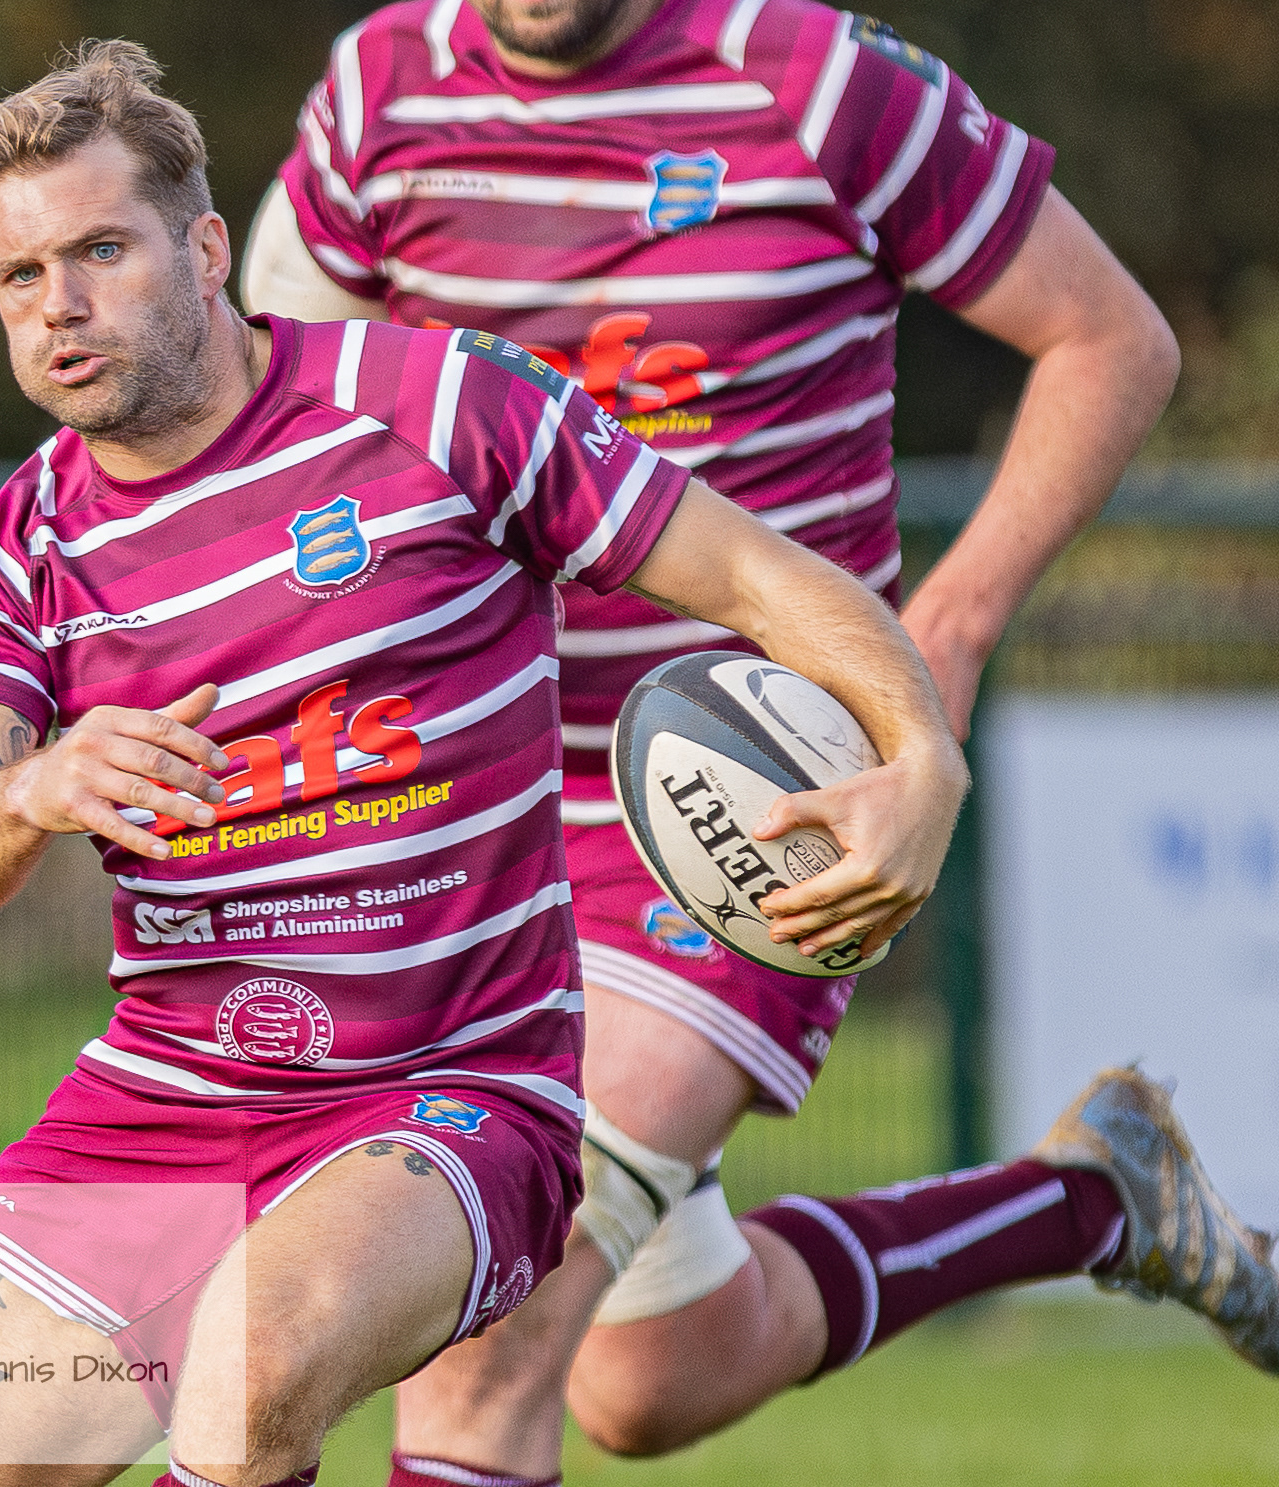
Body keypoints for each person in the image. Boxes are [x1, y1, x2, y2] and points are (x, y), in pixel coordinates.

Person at [0, 37, 971, 1487]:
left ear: (206, 250)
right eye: (20, 275)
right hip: (167, 1094)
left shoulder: (440, 407)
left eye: (101, 251)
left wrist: (923, 756)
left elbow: (758, 576)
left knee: (251, 1363)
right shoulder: (16, 556)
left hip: (453, 1093)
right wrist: (27, 787)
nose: (60, 303)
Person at [246, 1, 1277, 1482]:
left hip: (746, 790)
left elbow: (1112, 338)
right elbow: (280, 411)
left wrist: (946, 632)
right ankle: (1098, 1198)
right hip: (466, 808)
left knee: (485, 1337)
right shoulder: (378, 90)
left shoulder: (819, 80)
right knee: (657, 1376)